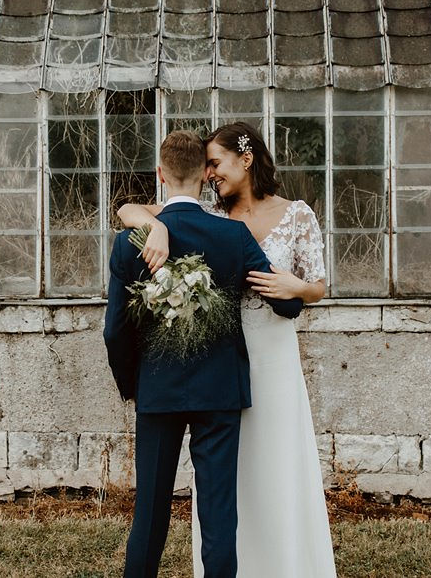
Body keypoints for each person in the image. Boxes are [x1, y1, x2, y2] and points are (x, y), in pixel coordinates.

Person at [117, 122, 338, 578]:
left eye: (219, 163)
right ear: (200, 174)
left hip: (227, 371)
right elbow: (131, 209)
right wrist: (150, 221)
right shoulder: (223, 227)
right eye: (209, 166)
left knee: (156, 509)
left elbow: (114, 329)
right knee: (220, 509)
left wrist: (132, 383)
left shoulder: (285, 215)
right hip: (224, 380)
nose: (214, 173)